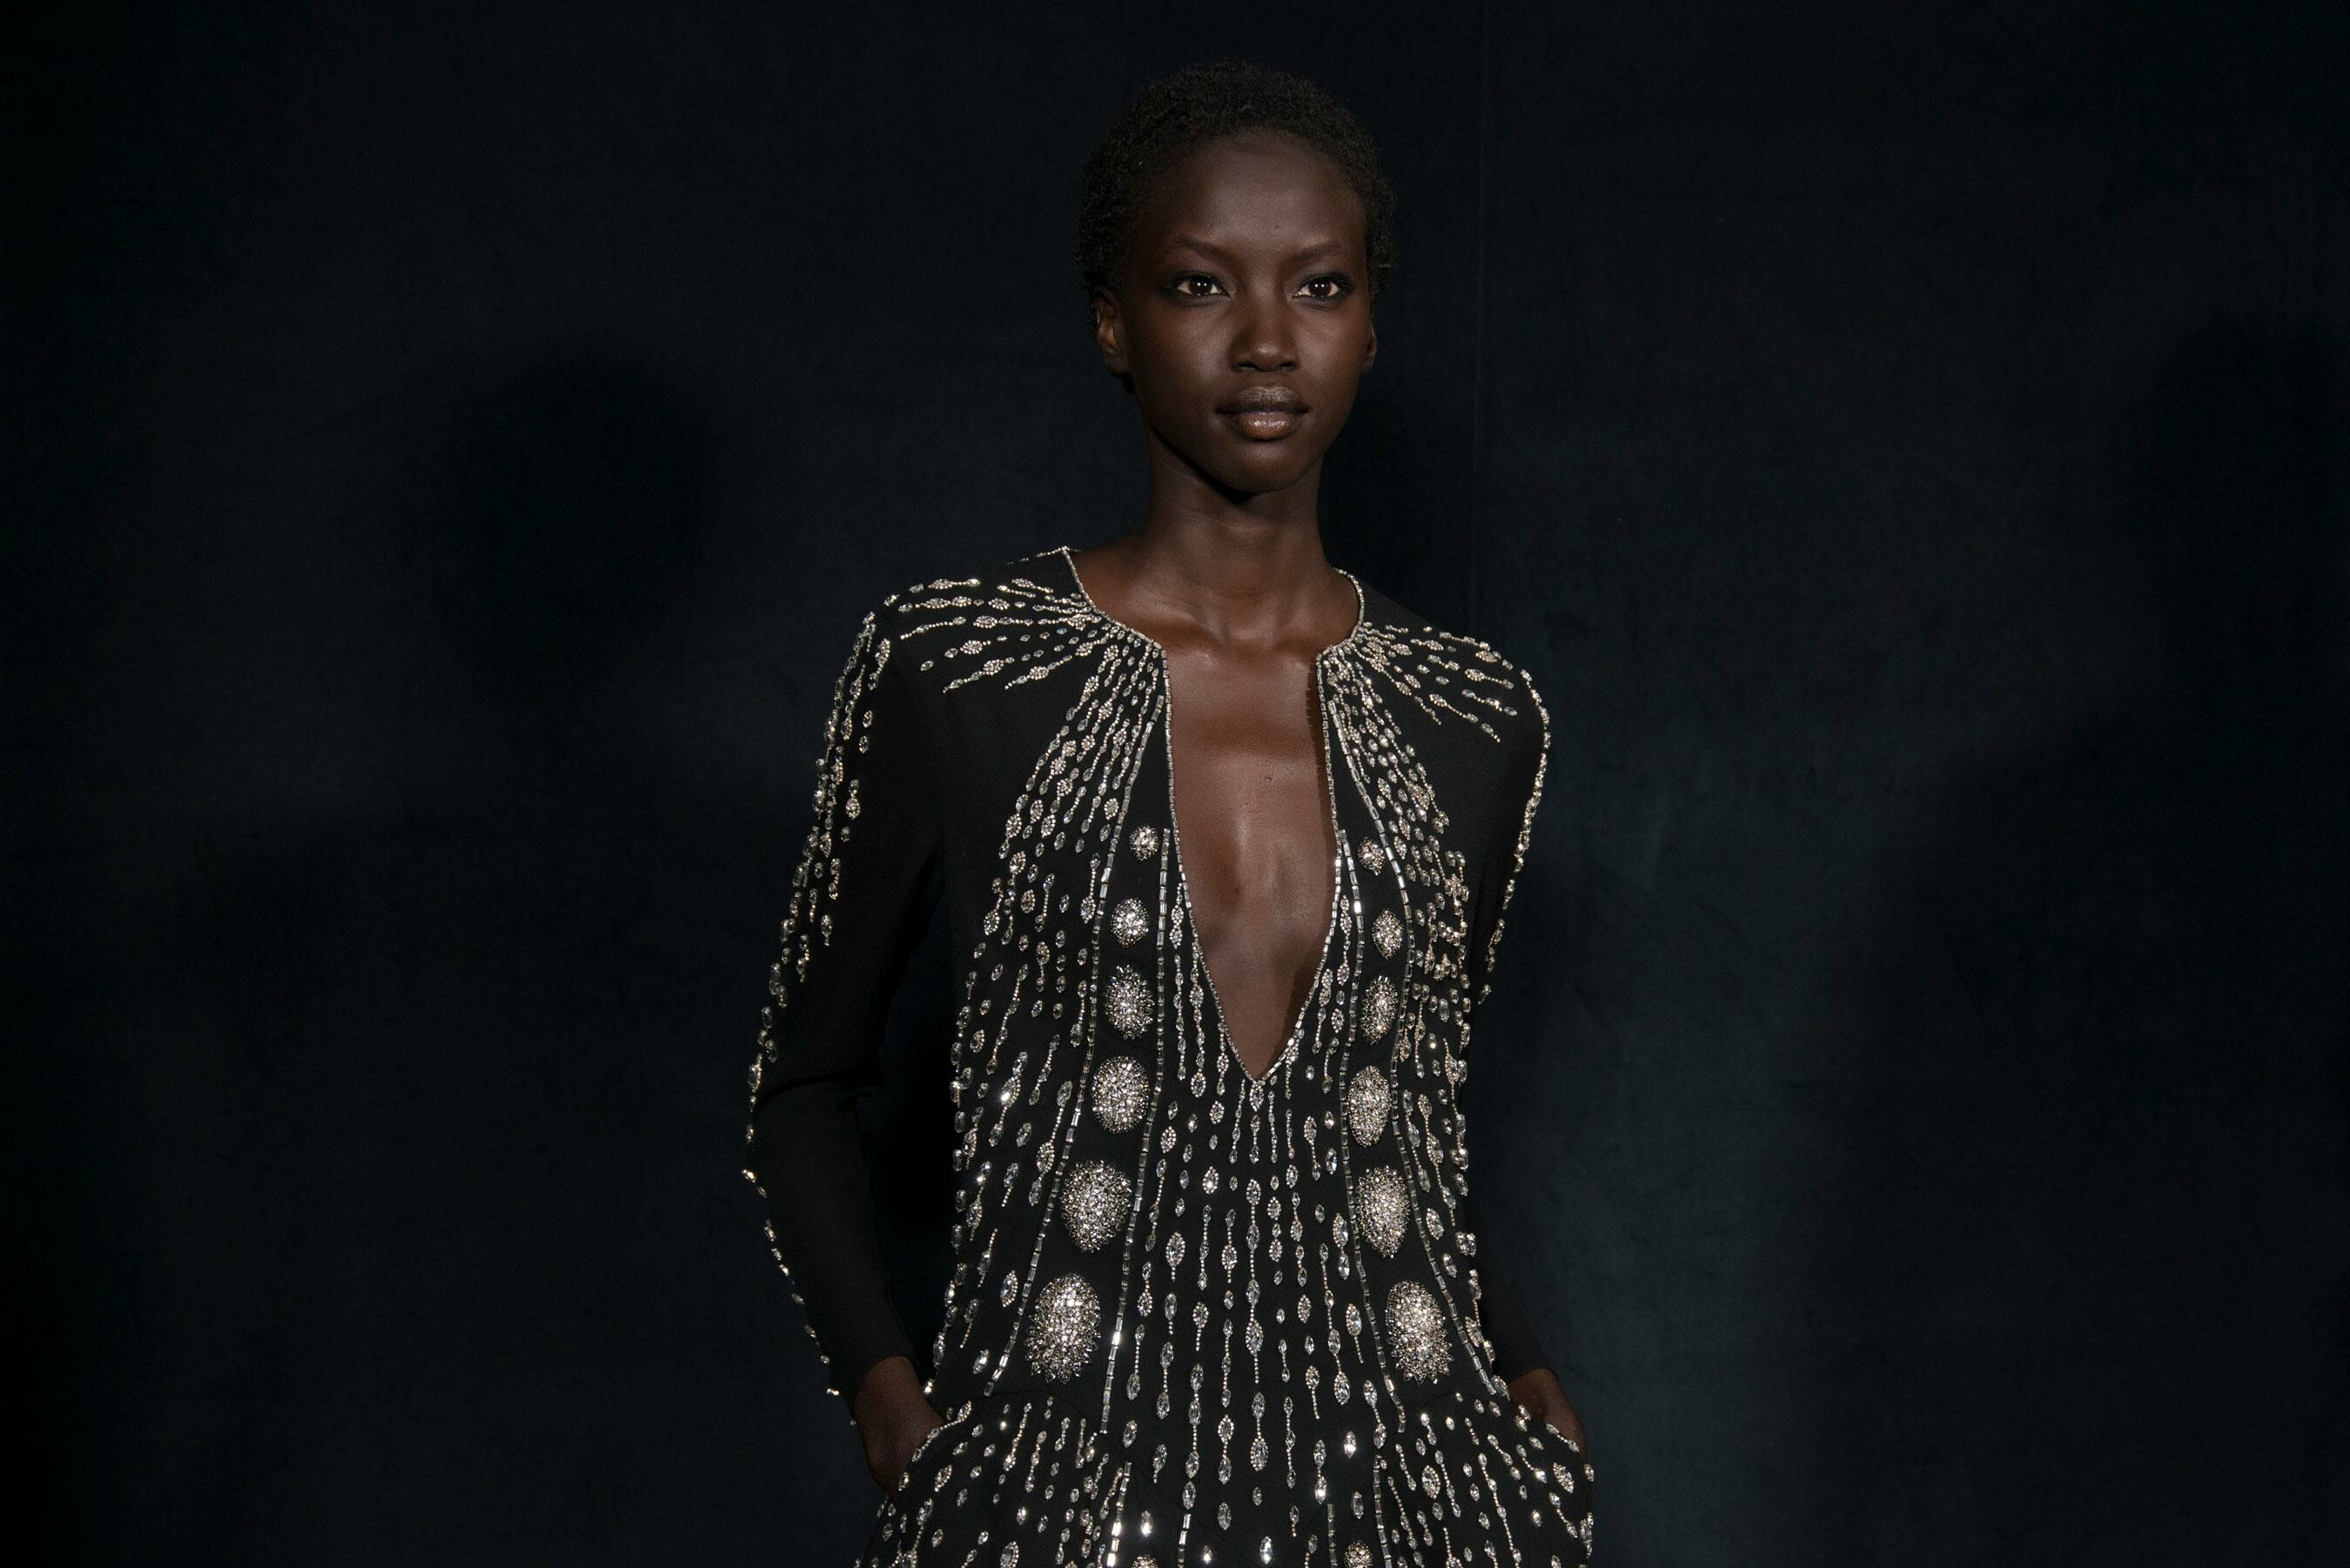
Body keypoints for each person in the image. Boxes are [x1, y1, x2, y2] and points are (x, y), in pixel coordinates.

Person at [746, 57, 1595, 1566]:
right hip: (1052, 1506)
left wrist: (1527, 1383)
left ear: (1372, 327)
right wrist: (891, 1406)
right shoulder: (954, 666)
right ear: (1111, 322)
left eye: (1321, 286)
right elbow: (804, 1092)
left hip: (1426, 1503)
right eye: (1202, 284)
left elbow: (1408, 1121)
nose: (1267, 340)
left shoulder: (1475, 717)